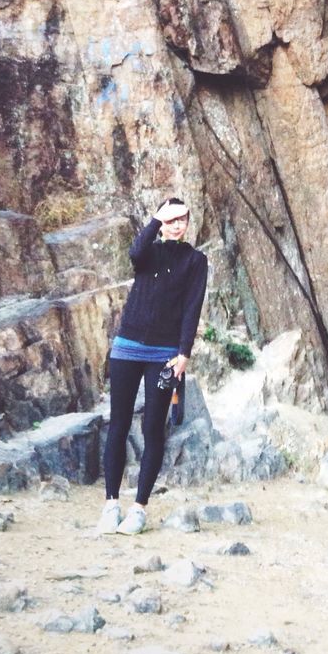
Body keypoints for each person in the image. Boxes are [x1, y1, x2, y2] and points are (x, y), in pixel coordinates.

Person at [97, 197, 208, 535]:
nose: (177, 224)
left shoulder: (196, 261)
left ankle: (139, 509)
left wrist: (184, 353)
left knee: (153, 429)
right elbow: (134, 253)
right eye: (171, 219)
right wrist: (155, 221)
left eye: (182, 219)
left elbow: (192, 307)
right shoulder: (149, 252)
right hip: (127, 348)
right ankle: (111, 504)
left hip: (164, 355)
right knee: (117, 425)